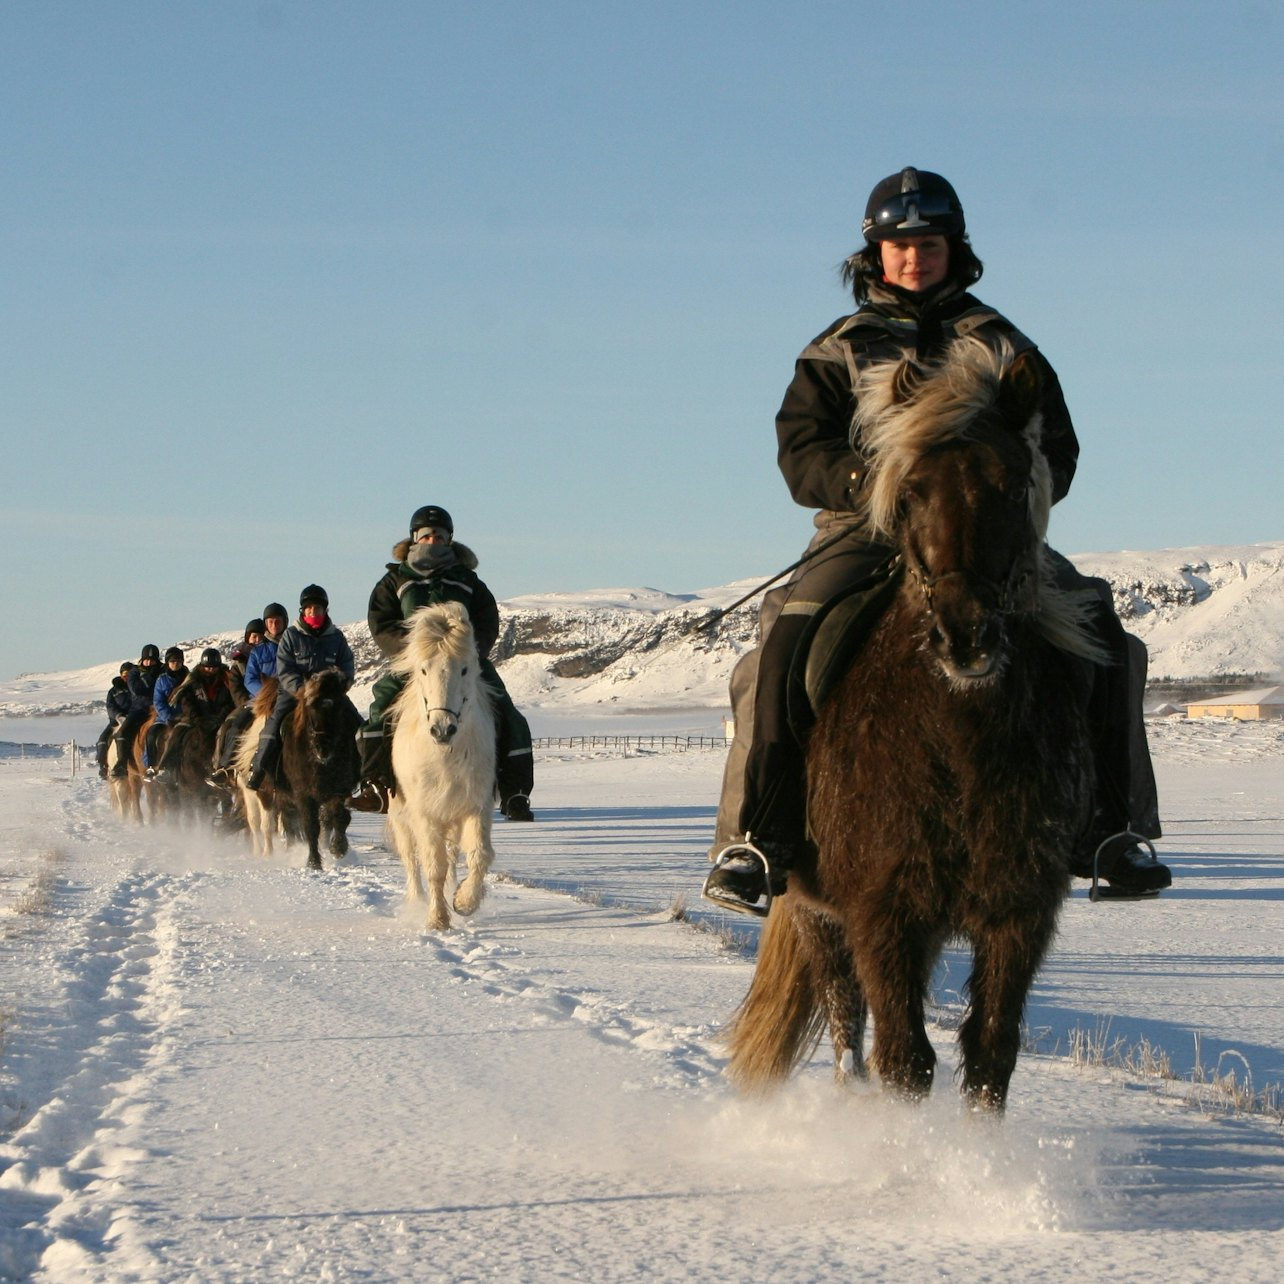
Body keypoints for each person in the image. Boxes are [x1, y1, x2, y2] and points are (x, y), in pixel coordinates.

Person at [704, 166, 1170, 915]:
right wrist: (870, 487)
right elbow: (801, 450)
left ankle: (1112, 829)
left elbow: (1058, 446)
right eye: (899, 244)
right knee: (782, 643)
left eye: (928, 242)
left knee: (1104, 631)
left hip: (987, 535)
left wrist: (1014, 500)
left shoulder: (1004, 343)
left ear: (955, 247)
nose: (914, 257)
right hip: (866, 528)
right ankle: (757, 838)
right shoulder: (838, 349)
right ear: (875, 255)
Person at [356, 505, 535, 820]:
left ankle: (515, 793)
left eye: (439, 535)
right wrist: (413, 650)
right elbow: (381, 623)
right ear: (414, 539)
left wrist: (468, 651)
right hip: (415, 665)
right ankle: (376, 786)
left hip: (463, 663)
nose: (432, 540)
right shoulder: (395, 580)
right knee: (378, 711)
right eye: (426, 535)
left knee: (509, 713)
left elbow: (487, 620)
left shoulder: (468, 581)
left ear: (449, 540)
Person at [246, 586, 356, 790]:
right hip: (295, 694)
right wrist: (302, 690)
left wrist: (341, 685)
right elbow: (285, 669)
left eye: (318, 609)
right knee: (274, 724)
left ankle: (364, 775)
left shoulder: (336, 637)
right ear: (303, 611)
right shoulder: (291, 636)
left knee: (356, 722)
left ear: (325, 611)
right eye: (309, 609)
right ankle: (258, 769)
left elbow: (347, 665)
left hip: (329, 694)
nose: (313, 613)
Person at [209, 603, 287, 786]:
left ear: (285, 622)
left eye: (278, 621)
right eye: (270, 621)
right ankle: (226, 768)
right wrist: (266, 696)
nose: (274, 624)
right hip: (259, 702)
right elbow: (249, 679)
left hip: (289, 698)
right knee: (235, 727)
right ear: (266, 624)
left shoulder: (293, 646)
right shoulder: (258, 651)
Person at [153, 647, 242, 783]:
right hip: (195, 717)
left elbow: (229, 702)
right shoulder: (193, 680)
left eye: (213, 667)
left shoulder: (225, 681)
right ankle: (167, 768)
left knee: (226, 734)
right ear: (202, 666)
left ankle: (222, 769)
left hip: (218, 718)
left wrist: (220, 717)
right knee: (177, 732)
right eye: (207, 667)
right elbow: (186, 700)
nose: (210, 670)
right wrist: (196, 717)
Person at [110, 644, 163, 777]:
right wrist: (151, 680)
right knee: (122, 732)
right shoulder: (135, 671)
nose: (149, 663)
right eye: (147, 660)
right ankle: (122, 764)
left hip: (158, 709)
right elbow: (136, 689)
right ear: (142, 659)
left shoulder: (163, 670)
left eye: (152, 660)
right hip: (139, 709)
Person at [145, 646, 189, 773]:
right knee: (151, 734)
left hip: (185, 717)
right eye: (173, 661)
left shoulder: (189, 678)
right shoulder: (162, 680)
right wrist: (168, 717)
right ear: (167, 663)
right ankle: (152, 766)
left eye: (178, 661)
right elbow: (158, 701)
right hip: (165, 719)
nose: (176, 664)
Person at [95, 662, 135, 778]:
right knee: (103, 739)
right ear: (121, 675)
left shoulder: (137, 688)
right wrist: (118, 716)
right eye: (125, 674)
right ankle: (103, 765)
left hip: (134, 717)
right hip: (116, 720)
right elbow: (110, 706)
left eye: (130, 674)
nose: (127, 677)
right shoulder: (113, 691)